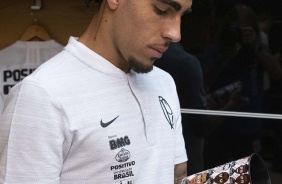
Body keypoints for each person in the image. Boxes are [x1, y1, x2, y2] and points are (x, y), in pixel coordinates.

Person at [0, 0, 192, 183]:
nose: (175, 34)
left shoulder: (164, 83)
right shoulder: (41, 95)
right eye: (161, 9)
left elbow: (176, 172)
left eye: (181, 15)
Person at [202, 3, 282, 169]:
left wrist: (255, 46)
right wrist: (226, 56)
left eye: (245, 30)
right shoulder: (218, 47)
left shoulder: (257, 48)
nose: (240, 34)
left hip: (249, 127)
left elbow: (277, 73)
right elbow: (204, 81)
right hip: (220, 127)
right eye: (237, 28)